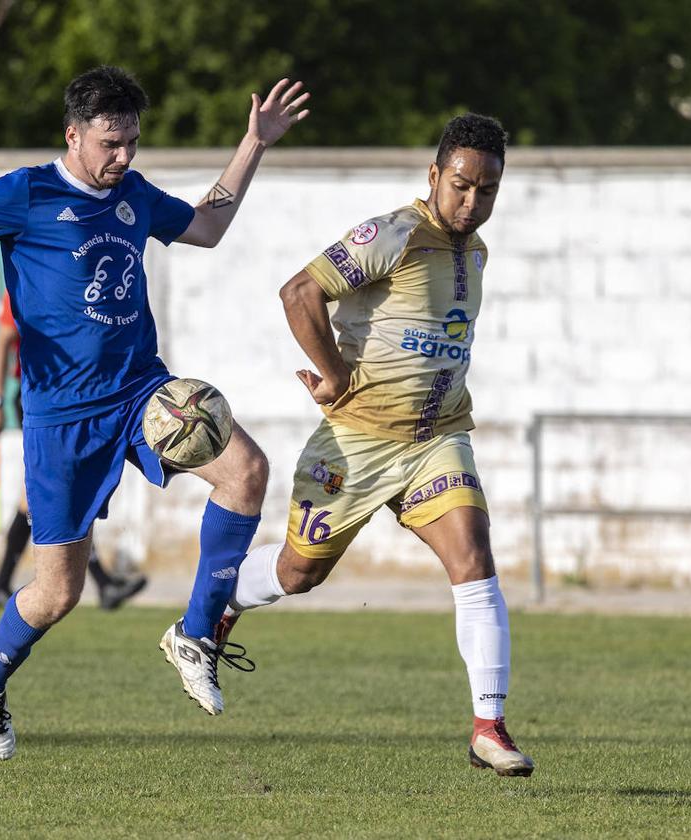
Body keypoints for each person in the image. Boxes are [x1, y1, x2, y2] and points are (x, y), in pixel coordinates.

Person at [0, 66, 309, 760]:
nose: (124, 157)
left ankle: (195, 635)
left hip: (142, 394)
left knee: (247, 471)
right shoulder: (26, 193)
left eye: (132, 142)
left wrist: (253, 143)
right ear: (73, 135)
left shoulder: (134, 195)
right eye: (111, 143)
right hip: (61, 421)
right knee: (57, 593)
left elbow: (207, 226)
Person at [215, 114, 535, 777]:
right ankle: (219, 600)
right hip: (356, 442)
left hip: (436, 438)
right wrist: (334, 374)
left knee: (474, 556)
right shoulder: (393, 233)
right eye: (461, 185)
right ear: (434, 177)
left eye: (487, 190)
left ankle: (489, 726)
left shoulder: (475, 253)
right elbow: (300, 292)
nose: (472, 201)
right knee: (301, 572)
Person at [0, 291, 147, 611]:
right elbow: (3, 340)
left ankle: (1, 584)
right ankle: (102, 583)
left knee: (44, 495)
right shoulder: (29, 277)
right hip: (41, 400)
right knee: (60, 492)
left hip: (73, 399)